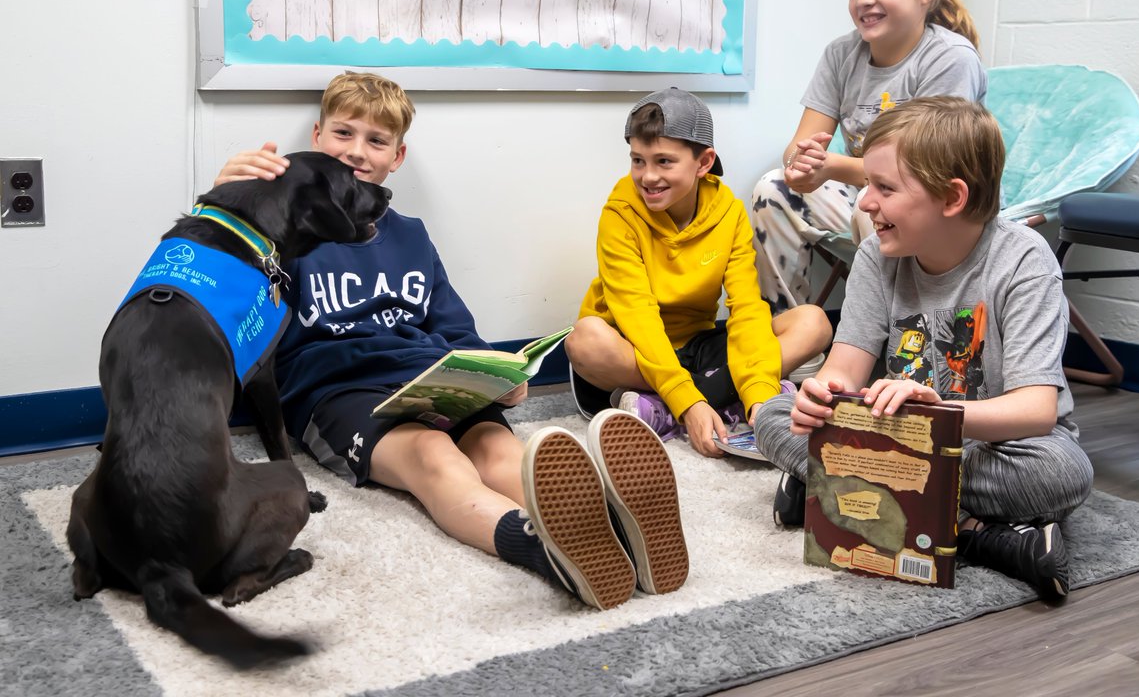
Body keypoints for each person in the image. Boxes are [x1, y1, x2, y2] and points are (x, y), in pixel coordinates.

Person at [213, 72, 688, 610]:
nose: (356, 152)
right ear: (317, 136)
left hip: (433, 377)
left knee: (502, 452)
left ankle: (616, 526)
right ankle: (543, 550)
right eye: (344, 134)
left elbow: (456, 328)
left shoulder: (411, 234)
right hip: (338, 390)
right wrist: (234, 202)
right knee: (433, 455)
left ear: (398, 156)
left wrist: (501, 375)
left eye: (376, 140)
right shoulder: (280, 229)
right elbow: (225, 295)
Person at [753, 96, 1094, 602]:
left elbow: (1037, 410)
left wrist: (942, 414)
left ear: (952, 198)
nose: (865, 202)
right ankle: (980, 535)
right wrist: (820, 398)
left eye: (884, 188)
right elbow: (843, 371)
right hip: (897, 442)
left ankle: (837, 492)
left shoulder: (1024, 261)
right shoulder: (877, 253)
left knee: (1065, 473)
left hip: (994, 448)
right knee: (771, 415)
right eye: (867, 184)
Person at [566, 87, 833, 458]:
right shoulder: (619, 214)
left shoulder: (729, 211)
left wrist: (759, 390)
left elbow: (746, 308)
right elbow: (637, 315)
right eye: (638, 160)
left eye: (664, 161)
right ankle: (714, 398)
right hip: (634, 346)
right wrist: (688, 401)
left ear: (704, 162)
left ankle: (667, 407)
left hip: (700, 343)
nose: (647, 176)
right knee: (584, 339)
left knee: (814, 322)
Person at [751, 0, 987, 312]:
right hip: (874, 190)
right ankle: (793, 339)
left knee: (871, 202)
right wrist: (801, 164)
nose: (865, 0)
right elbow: (802, 143)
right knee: (774, 188)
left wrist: (833, 167)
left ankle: (896, 344)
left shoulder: (950, 59)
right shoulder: (841, 54)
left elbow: (925, 174)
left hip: (939, 204)